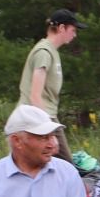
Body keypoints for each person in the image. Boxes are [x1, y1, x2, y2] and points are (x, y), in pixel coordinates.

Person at [18, 8, 85, 160]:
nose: (75, 35)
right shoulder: (44, 52)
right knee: (67, 166)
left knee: (51, 167)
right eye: (73, 30)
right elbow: (35, 95)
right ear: (62, 28)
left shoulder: (51, 51)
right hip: (37, 117)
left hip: (44, 116)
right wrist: (47, 130)